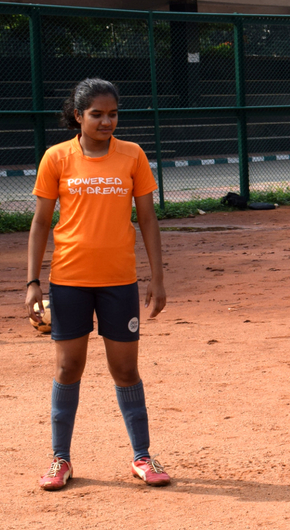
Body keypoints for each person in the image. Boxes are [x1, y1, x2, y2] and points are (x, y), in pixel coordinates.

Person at [26, 78, 170, 491]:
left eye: (113, 114)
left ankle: (142, 457)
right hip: (69, 279)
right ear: (78, 115)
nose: (106, 121)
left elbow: (147, 219)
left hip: (119, 281)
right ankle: (60, 460)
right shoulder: (57, 158)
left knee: (125, 370)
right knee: (69, 367)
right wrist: (33, 281)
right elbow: (40, 222)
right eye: (97, 114)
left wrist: (157, 277)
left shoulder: (132, 155)